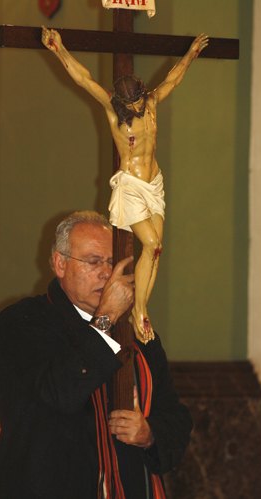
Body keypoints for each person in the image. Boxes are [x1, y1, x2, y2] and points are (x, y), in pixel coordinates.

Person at [0, 210, 192, 499]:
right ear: (60, 264)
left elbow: (176, 416)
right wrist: (106, 317)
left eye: (113, 263)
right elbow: (59, 392)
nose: (107, 274)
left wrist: (150, 434)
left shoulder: (137, 332)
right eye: (94, 261)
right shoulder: (21, 322)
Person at [41, 27, 208, 344]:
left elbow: (173, 78)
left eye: (138, 103)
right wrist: (58, 49)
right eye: (130, 105)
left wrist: (192, 53)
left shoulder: (151, 103)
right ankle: (140, 310)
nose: (136, 109)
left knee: (157, 250)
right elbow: (84, 79)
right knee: (152, 244)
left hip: (154, 183)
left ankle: (143, 307)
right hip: (131, 185)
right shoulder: (112, 111)